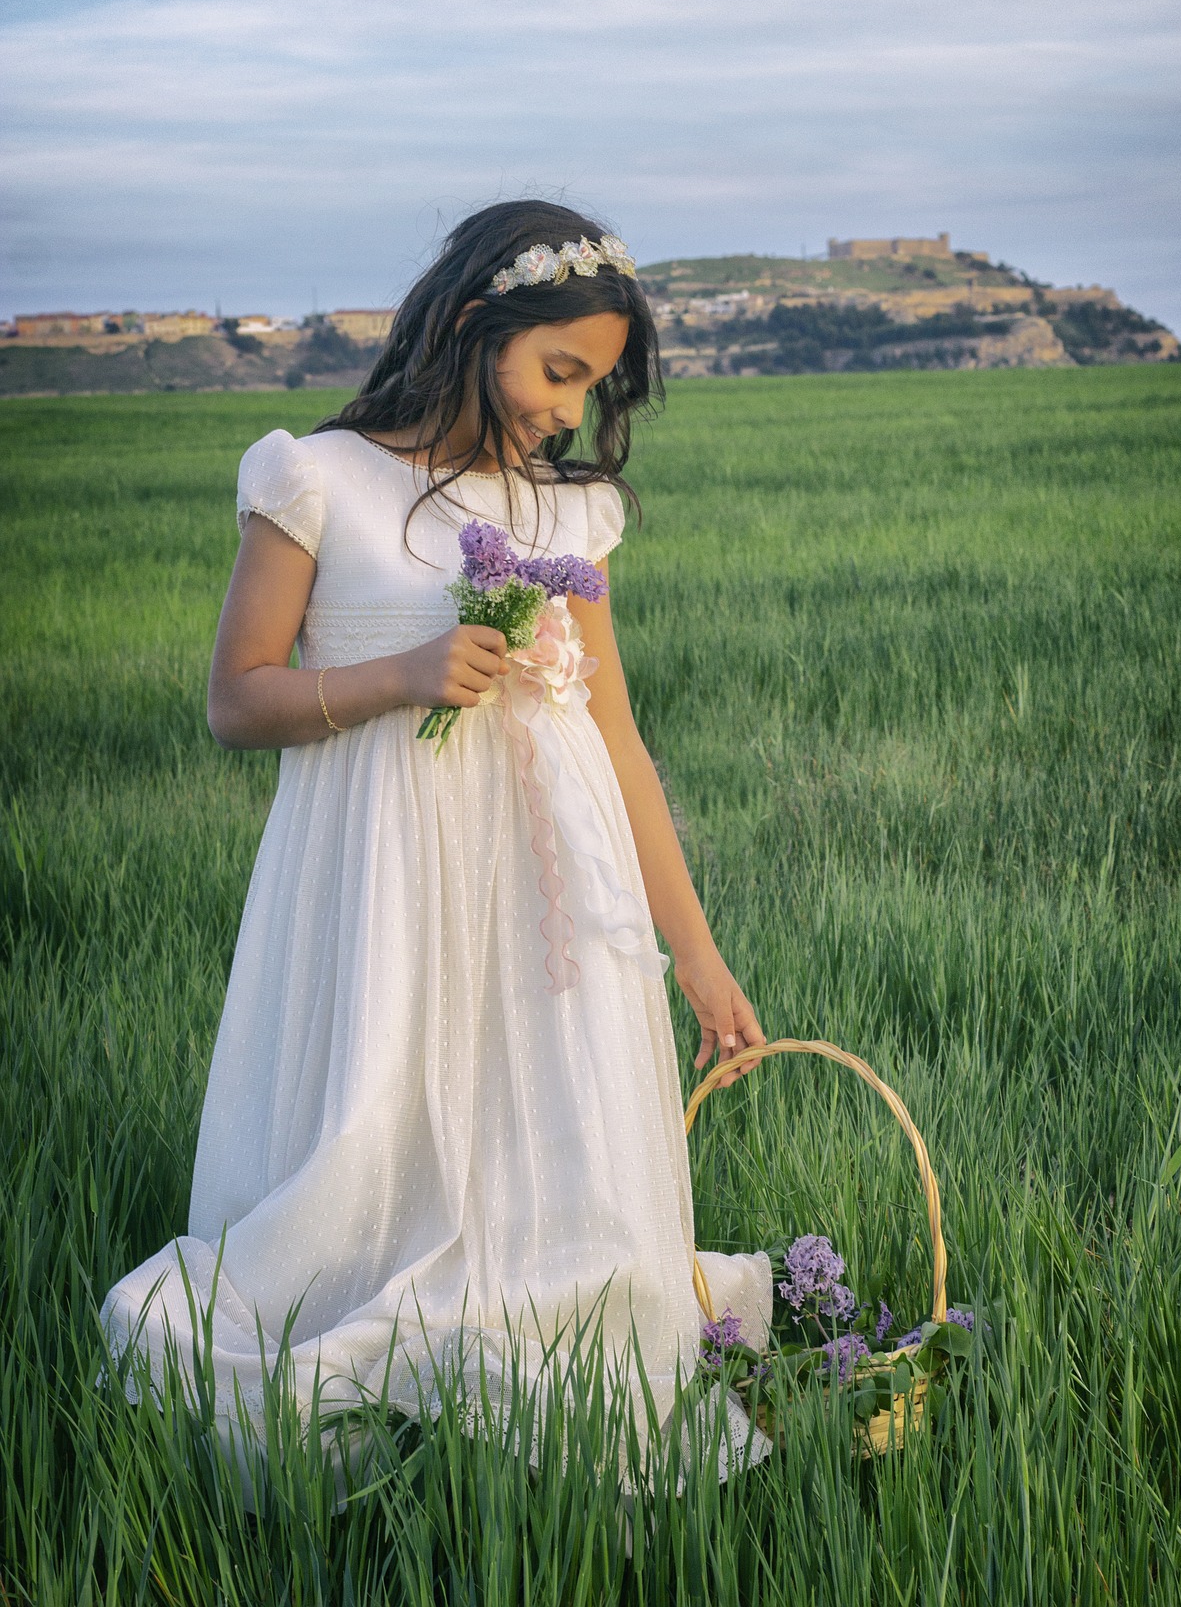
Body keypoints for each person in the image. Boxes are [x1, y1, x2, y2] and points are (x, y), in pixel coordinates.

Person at [99, 199, 771, 1453]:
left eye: (594, 384)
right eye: (557, 369)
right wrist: (395, 678)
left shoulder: (568, 514)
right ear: (475, 325)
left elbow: (616, 741)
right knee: (376, 1135)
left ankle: (533, 1338)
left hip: (545, 899)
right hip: (382, 878)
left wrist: (695, 954)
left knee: (549, 1173)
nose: (570, 408)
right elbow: (235, 699)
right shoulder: (318, 478)